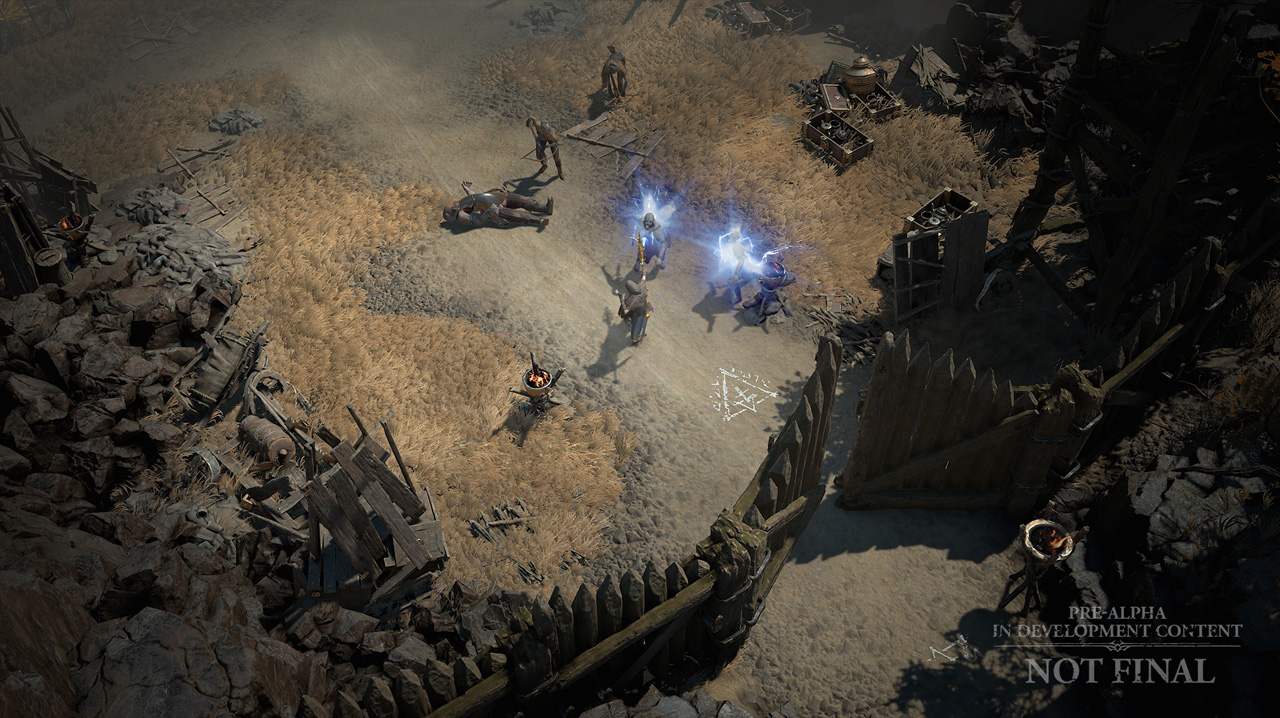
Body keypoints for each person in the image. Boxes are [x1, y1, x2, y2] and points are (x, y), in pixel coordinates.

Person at [442, 181, 554, 227]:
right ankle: (539, 221)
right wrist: (489, 211)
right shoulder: (461, 216)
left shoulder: (460, 204)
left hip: (494, 198)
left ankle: (546, 208)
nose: (453, 206)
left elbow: (475, 199)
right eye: (451, 209)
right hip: (494, 210)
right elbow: (477, 220)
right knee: (517, 215)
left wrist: (469, 190)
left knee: (523, 200)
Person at [741, 258, 796, 325]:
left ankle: (761, 312)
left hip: (772, 291)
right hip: (764, 292)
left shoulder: (779, 279)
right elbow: (761, 281)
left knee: (773, 298)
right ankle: (757, 313)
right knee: (758, 298)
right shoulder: (763, 278)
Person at [614, 277, 652, 344]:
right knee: (631, 316)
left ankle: (635, 340)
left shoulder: (634, 300)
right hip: (639, 307)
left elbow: (626, 311)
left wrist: (621, 299)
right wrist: (643, 271)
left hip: (639, 312)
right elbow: (643, 278)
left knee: (636, 328)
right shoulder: (641, 286)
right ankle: (628, 319)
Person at [721, 229, 751, 306]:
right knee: (732, 280)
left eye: (730, 237)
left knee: (732, 281)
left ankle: (738, 298)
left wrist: (736, 274)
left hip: (741, 266)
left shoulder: (736, 247)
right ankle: (745, 277)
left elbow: (741, 260)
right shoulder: (735, 245)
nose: (729, 239)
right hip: (741, 265)